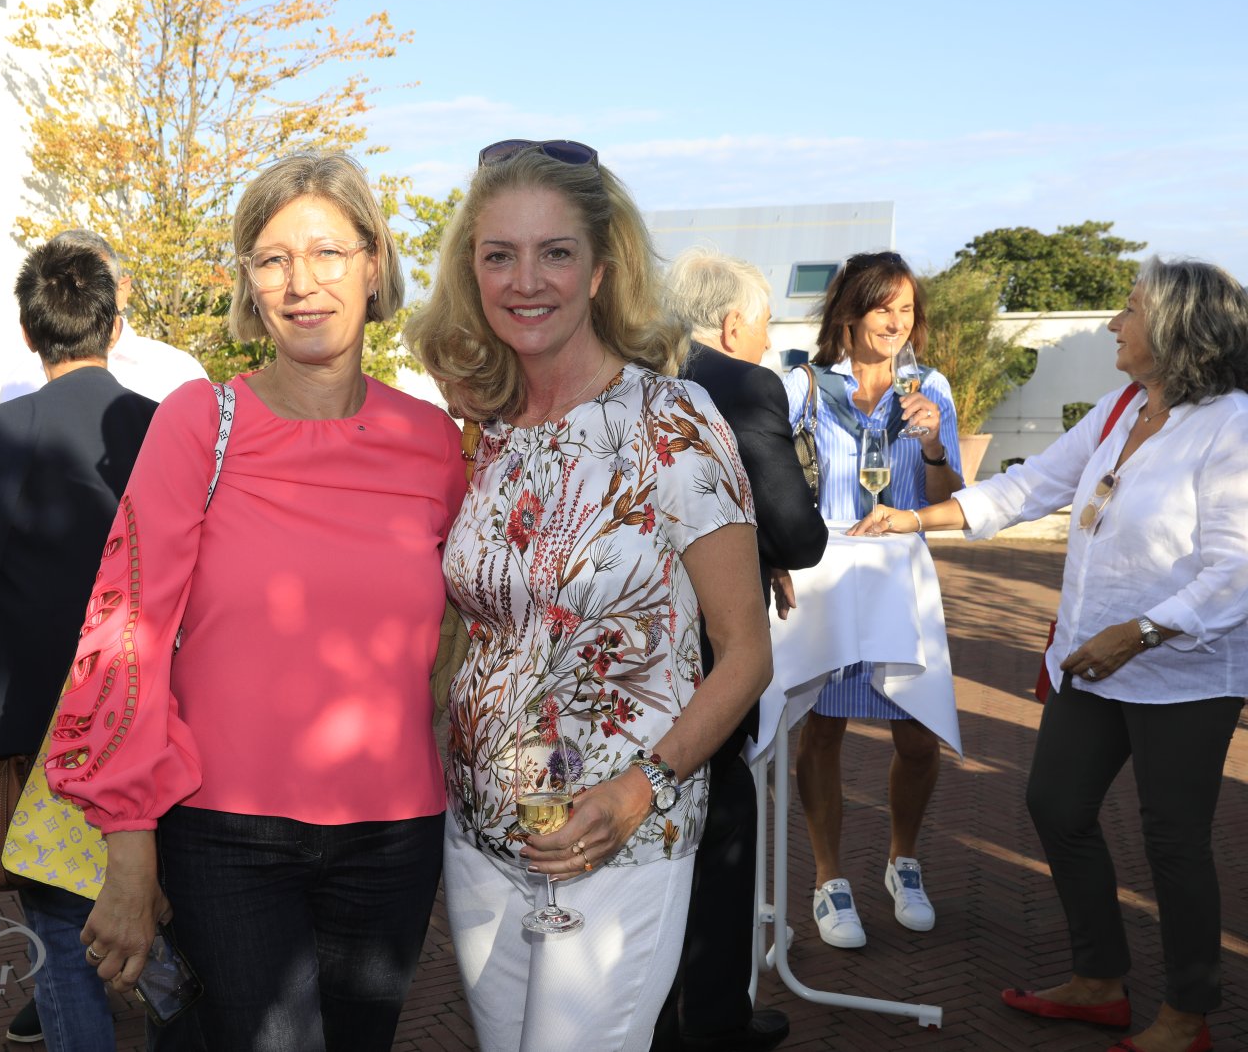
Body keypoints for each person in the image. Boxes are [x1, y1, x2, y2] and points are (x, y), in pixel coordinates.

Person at [46, 152, 466, 1052]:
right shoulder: (198, 422)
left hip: (394, 838)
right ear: (248, 280)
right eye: (273, 259)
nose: (301, 283)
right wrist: (130, 842)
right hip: (226, 838)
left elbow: (468, 619)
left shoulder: (432, 442)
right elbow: (124, 629)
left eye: (327, 252)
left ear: (373, 263)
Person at [410, 140, 773, 1052]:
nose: (526, 280)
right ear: (472, 271)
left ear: (602, 270)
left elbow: (746, 652)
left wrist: (642, 788)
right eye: (500, 254)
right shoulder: (489, 430)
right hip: (481, 834)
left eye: (556, 252)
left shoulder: (672, 421)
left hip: (619, 841)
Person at [854, 257, 1248, 1052]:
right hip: (1090, 659)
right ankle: (1099, 979)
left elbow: (1235, 568)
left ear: (1178, 329)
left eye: (1129, 309)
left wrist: (1141, 631)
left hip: (1182, 673)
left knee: (1173, 839)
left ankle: (1187, 1014)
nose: (1113, 323)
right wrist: (918, 517)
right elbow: (1029, 485)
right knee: (1057, 804)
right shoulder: (1120, 408)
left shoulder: (1232, 425)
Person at [0, 241, 159, 1052]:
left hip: (36, 741)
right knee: (170, 934)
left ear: (28, 331)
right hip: (154, 726)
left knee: (60, 945)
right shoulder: (165, 427)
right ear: (114, 326)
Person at [653, 248, 828, 1052]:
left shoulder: (622, 368)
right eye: (764, 324)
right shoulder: (745, 384)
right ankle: (714, 1016)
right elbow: (798, 532)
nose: (765, 339)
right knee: (722, 818)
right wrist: (767, 550)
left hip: (621, 654)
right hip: (708, 652)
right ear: (731, 325)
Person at [780, 250, 963, 951]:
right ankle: (829, 876)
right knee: (823, 728)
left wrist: (935, 445)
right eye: (883, 307)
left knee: (916, 733)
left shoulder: (929, 388)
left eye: (907, 309)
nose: (896, 321)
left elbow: (949, 501)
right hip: (828, 578)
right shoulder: (805, 387)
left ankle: (902, 860)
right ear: (850, 313)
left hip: (898, 580)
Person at [0, 229, 207, 405]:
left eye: (94, 286)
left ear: (122, 291)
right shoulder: (19, 382)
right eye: (60, 288)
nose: (74, 300)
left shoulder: (178, 374)